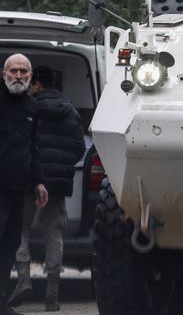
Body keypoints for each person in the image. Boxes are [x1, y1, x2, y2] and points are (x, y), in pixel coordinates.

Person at [8, 67, 85, 311]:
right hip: (58, 185)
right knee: (55, 234)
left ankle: (23, 279)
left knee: (21, 229)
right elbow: (80, 149)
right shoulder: (71, 111)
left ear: (37, 85)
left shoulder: (29, 109)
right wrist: (62, 168)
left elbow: (21, 143)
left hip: (29, 180)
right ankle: (52, 294)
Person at [0, 54, 48, 315]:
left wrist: (39, 181)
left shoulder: (31, 106)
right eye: (13, 71)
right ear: (3, 73)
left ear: (30, 76)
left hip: (19, 189)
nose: (18, 75)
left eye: (23, 71)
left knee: (8, 248)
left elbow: (34, 148)